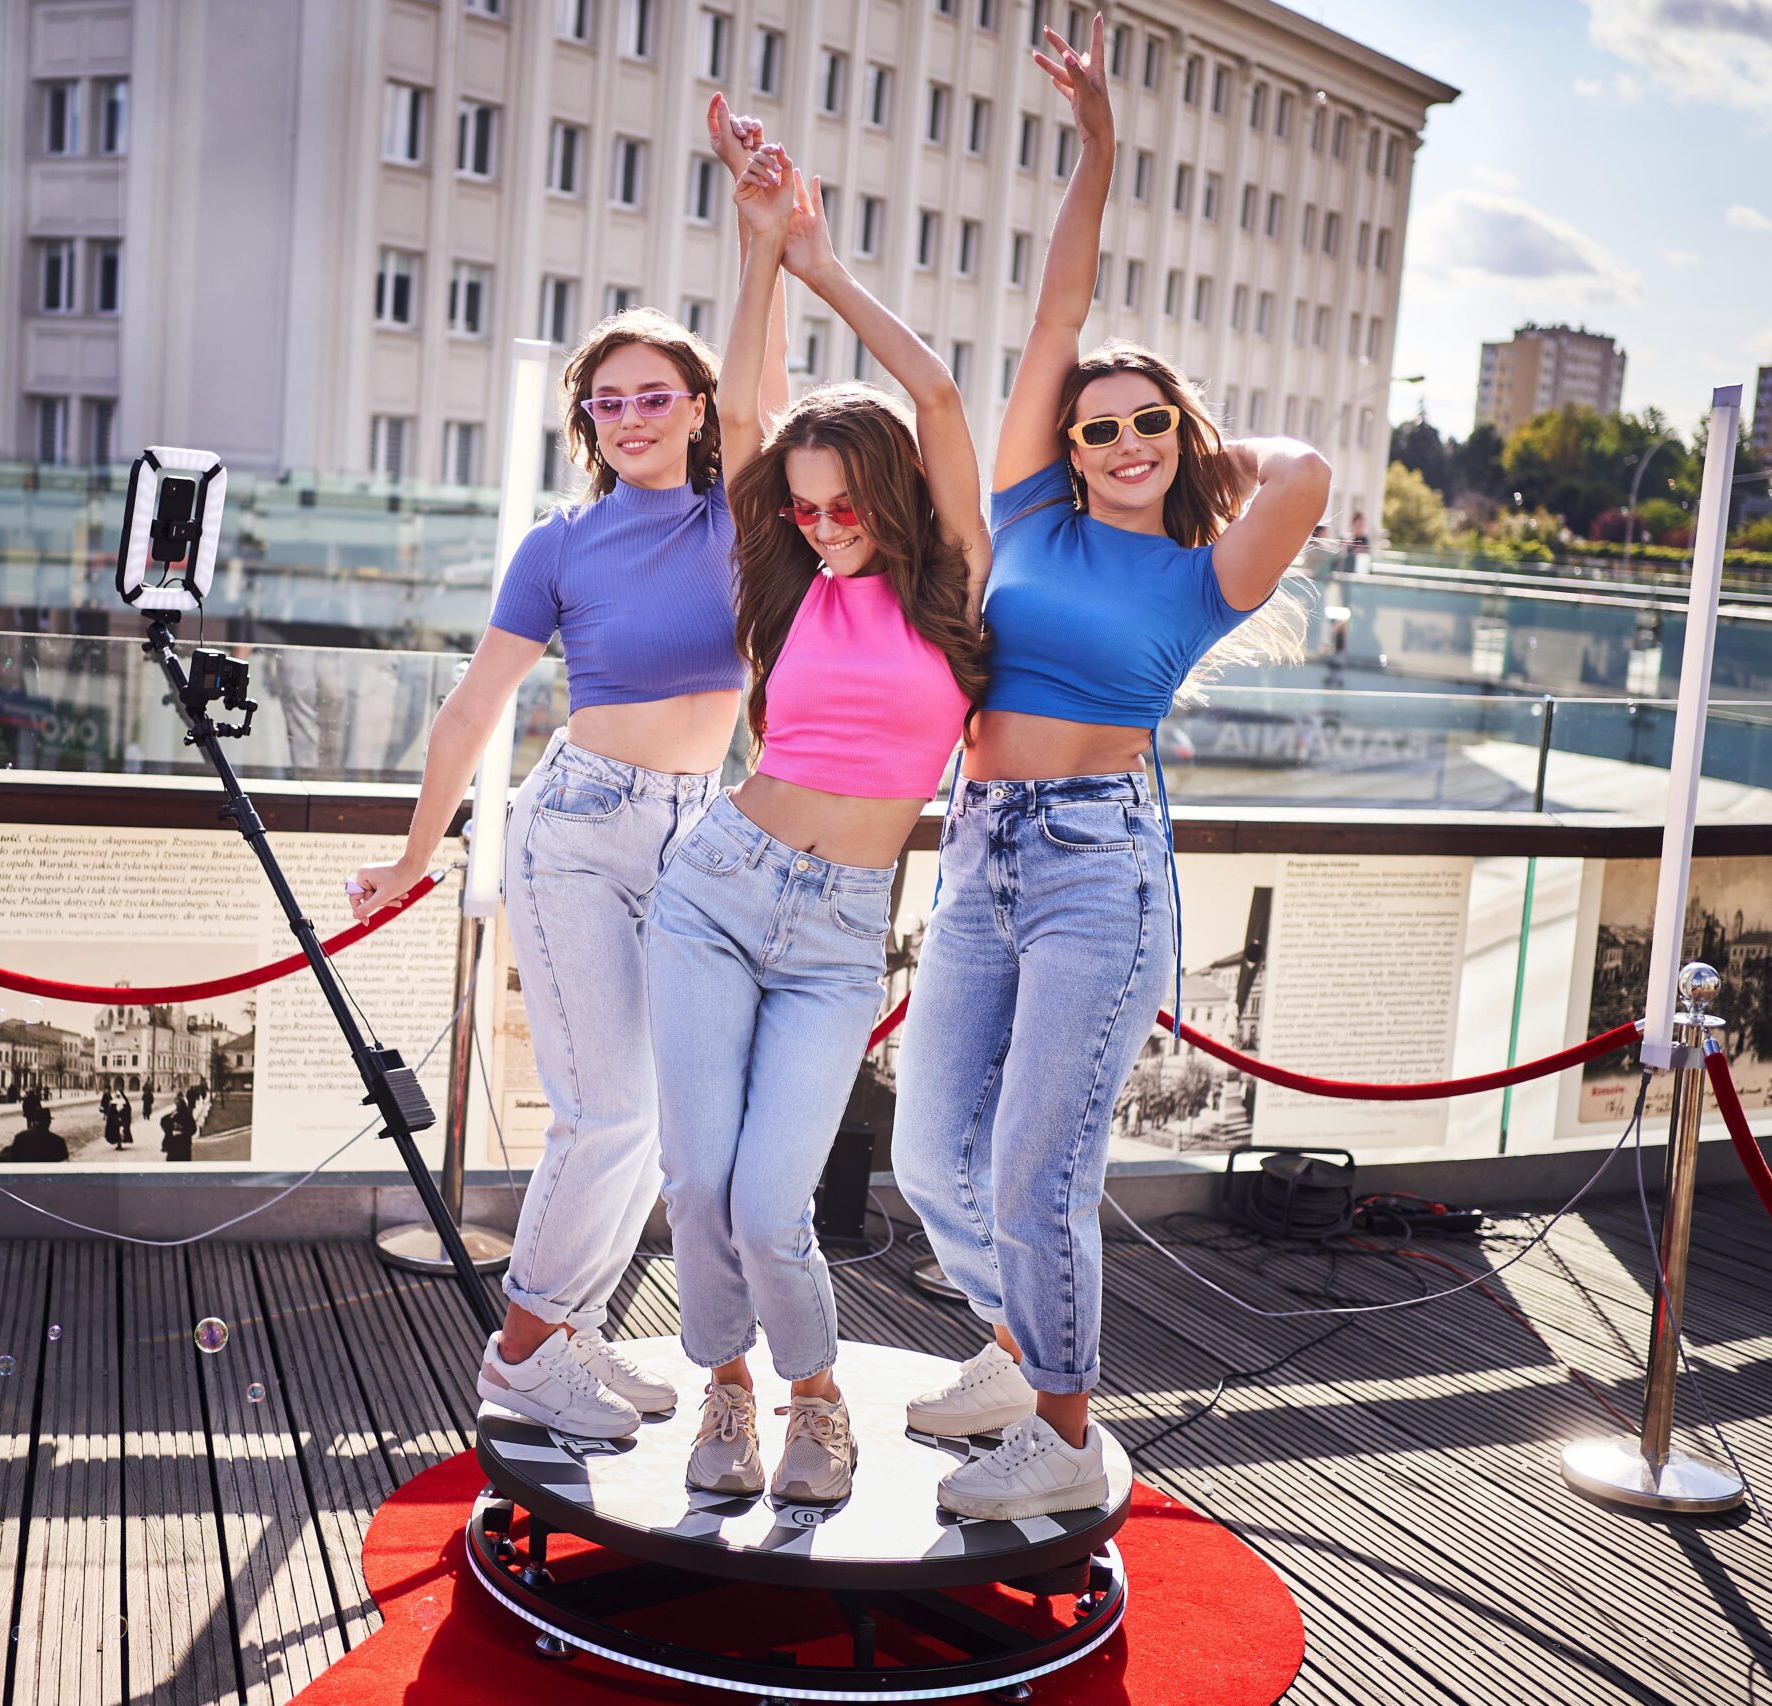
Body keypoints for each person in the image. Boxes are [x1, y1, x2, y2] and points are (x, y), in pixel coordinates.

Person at [892, 12, 1326, 1522]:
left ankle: (1065, 1430)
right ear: (1065, 448)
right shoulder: (1027, 508)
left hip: (1100, 862)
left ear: (1174, 436)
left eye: (1147, 424)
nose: (1123, 439)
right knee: (929, 1152)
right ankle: (1022, 1348)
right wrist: (1097, 147)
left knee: (1038, 1173)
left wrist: (1202, 449)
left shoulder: (1209, 575)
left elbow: (1308, 471)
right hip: (979, 848)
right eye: (1101, 427)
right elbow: (1056, 312)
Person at [346, 97, 790, 1444]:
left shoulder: (740, 515)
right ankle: (527, 1349)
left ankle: (575, 1325)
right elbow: (472, 709)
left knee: (652, 1118)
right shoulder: (558, 544)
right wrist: (415, 856)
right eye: (609, 401)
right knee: (604, 1108)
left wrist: (762, 235)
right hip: (580, 828)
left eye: (657, 395)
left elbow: (764, 389)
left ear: (697, 408)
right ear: (587, 423)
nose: (632, 415)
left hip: (699, 834)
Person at [647, 153, 986, 1503]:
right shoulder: (787, 585)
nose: (824, 524)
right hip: (717, 889)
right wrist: (754, 251)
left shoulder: (952, 580)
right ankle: (726, 1388)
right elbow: (742, 413)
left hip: (843, 927)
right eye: (804, 505)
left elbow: (940, 396)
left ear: (892, 496)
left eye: (848, 505)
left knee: (767, 1196)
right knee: (697, 1179)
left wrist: (820, 266)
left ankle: (817, 1396)